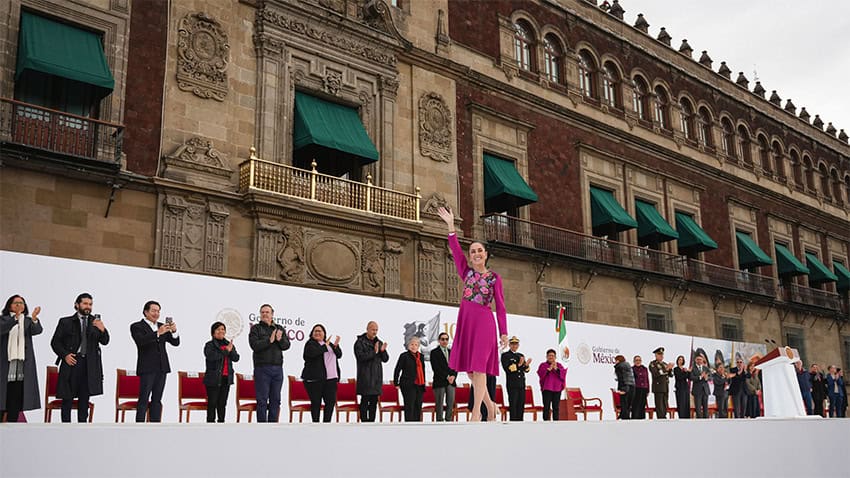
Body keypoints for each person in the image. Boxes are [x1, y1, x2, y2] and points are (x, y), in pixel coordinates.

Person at [436, 207, 508, 422]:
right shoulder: (466, 272)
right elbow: (455, 249)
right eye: (473, 251)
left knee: (479, 368)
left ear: (486, 255)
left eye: (480, 251)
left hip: (485, 324)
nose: (476, 253)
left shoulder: (494, 278)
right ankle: (491, 406)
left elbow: (501, 307)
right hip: (466, 323)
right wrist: (450, 226)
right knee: (472, 373)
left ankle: (476, 412)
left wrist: (504, 332)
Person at [50, 293, 109, 423]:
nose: (88, 307)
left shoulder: (95, 322)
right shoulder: (65, 322)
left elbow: (105, 341)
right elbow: (55, 342)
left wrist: (102, 329)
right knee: (67, 398)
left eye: (90, 304)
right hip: (71, 362)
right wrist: (65, 355)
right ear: (77, 305)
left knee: (84, 399)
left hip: (89, 365)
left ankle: (82, 429)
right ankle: (65, 428)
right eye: (85, 303)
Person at [130, 300, 179, 422]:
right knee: (144, 398)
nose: (156, 313)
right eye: (153, 311)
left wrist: (174, 331)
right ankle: (139, 426)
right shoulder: (136, 326)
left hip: (162, 367)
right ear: (146, 312)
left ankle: (155, 426)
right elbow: (140, 341)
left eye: (158, 311)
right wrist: (157, 333)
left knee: (157, 399)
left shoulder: (162, 325)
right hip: (147, 368)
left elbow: (175, 343)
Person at [1, 295, 42, 422]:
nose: (19, 305)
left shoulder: (28, 321)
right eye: (16, 303)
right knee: (3, 396)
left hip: (21, 366)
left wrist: (34, 319)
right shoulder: (4, 319)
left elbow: (37, 330)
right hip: (5, 364)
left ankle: (12, 426)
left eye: (22, 303)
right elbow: (3, 328)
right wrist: (15, 318)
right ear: (10, 305)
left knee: (16, 397)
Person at [248, 304, 291, 423]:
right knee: (262, 400)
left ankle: (273, 426)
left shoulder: (279, 328)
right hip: (262, 368)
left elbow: (286, 346)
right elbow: (254, 346)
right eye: (262, 312)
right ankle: (262, 427)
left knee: (276, 399)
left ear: (272, 314)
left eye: (267, 312)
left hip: (277, 369)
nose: (264, 314)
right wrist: (269, 340)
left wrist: (279, 340)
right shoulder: (256, 328)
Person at [301, 323, 342, 423]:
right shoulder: (310, 344)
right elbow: (312, 354)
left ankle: (326, 424)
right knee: (316, 402)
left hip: (331, 378)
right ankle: (316, 424)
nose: (318, 333)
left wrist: (336, 347)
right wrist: (324, 346)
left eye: (320, 331)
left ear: (324, 333)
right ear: (312, 333)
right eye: (315, 331)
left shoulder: (330, 344)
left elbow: (339, 355)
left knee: (330, 402)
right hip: (315, 379)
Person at [203, 321, 240, 423]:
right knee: (212, 403)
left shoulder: (228, 344)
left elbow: (236, 358)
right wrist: (226, 351)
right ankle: (210, 425)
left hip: (226, 378)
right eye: (218, 329)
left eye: (223, 329)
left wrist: (231, 350)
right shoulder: (209, 345)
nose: (221, 331)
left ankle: (221, 423)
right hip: (213, 379)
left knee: (222, 403)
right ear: (213, 332)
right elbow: (211, 357)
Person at [353, 321, 388, 422]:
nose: (375, 332)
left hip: (376, 378)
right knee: (364, 401)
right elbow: (360, 357)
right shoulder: (360, 342)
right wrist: (374, 352)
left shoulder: (379, 342)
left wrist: (382, 351)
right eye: (373, 329)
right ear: (367, 329)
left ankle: (372, 423)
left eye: (376, 330)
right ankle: (364, 423)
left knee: (374, 402)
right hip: (365, 377)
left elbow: (385, 359)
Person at [393, 336, 426, 422]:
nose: (414, 346)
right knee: (409, 406)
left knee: (418, 406)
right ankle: (409, 427)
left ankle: (417, 427)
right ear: (408, 345)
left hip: (420, 385)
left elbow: (423, 371)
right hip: (408, 385)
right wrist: (396, 383)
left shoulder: (421, 356)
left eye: (416, 345)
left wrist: (423, 383)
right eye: (412, 344)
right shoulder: (404, 356)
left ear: (418, 346)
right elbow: (397, 369)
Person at [501, 336, 531, 421]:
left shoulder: (520, 355)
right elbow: (508, 369)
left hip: (521, 383)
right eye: (512, 344)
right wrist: (519, 365)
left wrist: (526, 365)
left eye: (516, 344)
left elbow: (526, 370)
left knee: (521, 404)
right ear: (509, 345)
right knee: (513, 404)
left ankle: (520, 422)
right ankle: (513, 422)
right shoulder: (505, 355)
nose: (514, 346)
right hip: (512, 384)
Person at [430, 332, 457, 422]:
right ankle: (439, 421)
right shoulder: (434, 352)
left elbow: (455, 366)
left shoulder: (452, 352)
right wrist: (447, 376)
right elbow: (436, 368)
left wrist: (453, 376)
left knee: (450, 402)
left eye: (446, 339)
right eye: (442, 339)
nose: (445, 341)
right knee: (439, 403)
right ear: (439, 340)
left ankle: (449, 420)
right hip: (439, 381)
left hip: (451, 382)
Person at [537, 349, 566, 421]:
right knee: (546, 406)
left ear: (555, 357)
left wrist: (556, 369)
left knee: (556, 407)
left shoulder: (559, 365)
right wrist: (548, 369)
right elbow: (540, 374)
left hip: (557, 389)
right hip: (547, 389)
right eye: (549, 355)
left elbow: (563, 374)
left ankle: (556, 422)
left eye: (552, 356)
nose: (551, 357)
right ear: (546, 357)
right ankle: (545, 422)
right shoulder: (543, 365)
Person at [649, 347, 673, 418]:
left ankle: (664, 417)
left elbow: (671, 375)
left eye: (662, 354)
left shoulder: (665, 364)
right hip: (658, 387)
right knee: (659, 405)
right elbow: (655, 374)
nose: (661, 356)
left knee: (665, 403)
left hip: (665, 386)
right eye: (659, 354)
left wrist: (670, 369)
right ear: (656, 355)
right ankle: (661, 418)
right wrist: (666, 369)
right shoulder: (653, 364)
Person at [614, 355, 634, 420]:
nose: (615, 362)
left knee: (624, 403)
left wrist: (622, 389)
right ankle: (625, 415)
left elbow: (621, 378)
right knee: (628, 404)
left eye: (615, 360)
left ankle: (624, 417)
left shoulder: (619, 367)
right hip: (632, 386)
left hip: (625, 386)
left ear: (618, 360)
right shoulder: (628, 366)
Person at [690, 354, 710, 419]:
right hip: (697, 391)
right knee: (698, 409)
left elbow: (711, 376)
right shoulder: (693, 368)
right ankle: (699, 423)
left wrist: (707, 378)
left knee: (705, 408)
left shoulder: (706, 368)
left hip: (705, 390)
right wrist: (700, 377)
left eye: (700, 359)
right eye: (698, 359)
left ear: (703, 360)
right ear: (695, 360)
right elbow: (691, 377)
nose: (699, 361)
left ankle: (706, 422)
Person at [631, 355, 649, 419]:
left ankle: (642, 419)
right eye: (636, 360)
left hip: (644, 388)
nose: (638, 361)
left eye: (639, 360)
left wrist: (648, 389)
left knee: (642, 405)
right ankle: (635, 419)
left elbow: (647, 379)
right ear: (634, 361)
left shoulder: (645, 369)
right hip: (636, 389)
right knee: (635, 405)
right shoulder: (632, 369)